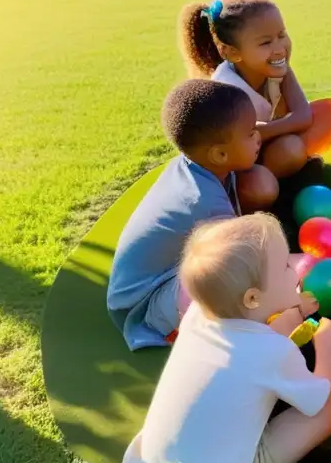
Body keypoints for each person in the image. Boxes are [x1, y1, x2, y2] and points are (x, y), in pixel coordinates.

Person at [122, 214, 331, 463]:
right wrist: (327, 346)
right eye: (285, 266)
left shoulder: (198, 314)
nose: (294, 270)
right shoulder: (272, 354)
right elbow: (319, 399)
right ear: (253, 298)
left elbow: (247, 337)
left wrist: (290, 310)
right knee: (329, 409)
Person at [107, 79, 258, 350]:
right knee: (228, 284)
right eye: (250, 133)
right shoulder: (203, 201)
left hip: (168, 274)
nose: (258, 136)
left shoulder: (203, 167)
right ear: (221, 154)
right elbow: (238, 261)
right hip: (145, 304)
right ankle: (180, 329)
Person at [179, 0, 331, 211]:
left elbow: (304, 116)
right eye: (265, 43)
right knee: (262, 188)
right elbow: (237, 148)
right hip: (239, 167)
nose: (279, 49)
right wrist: (274, 128)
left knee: (313, 129)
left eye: (282, 35)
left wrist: (260, 130)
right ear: (231, 53)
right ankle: (270, 199)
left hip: (263, 148)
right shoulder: (225, 90)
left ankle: (289, 179)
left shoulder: (280, 68)